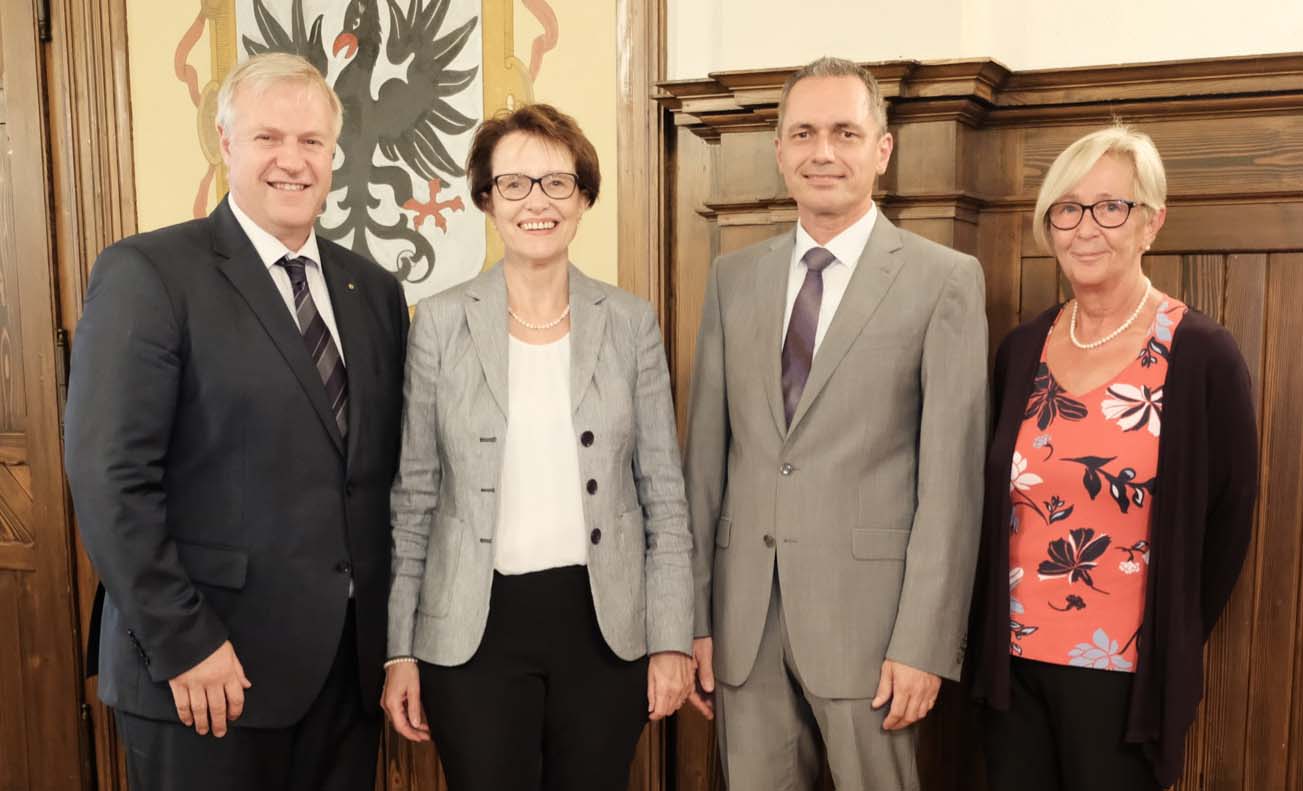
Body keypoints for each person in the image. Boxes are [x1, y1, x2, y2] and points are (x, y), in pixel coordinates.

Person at [63, 53, 409, 791]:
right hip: (207, 675)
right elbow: (109, 478)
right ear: (225, 143)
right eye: (267, 138)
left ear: (334, 152)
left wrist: (394, 644)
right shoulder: (149, 273)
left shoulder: (373, 290)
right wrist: (184, 642)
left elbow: (380, 478)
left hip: (346, 678)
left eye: (311, 141)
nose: (293, 160)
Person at [683, 56, 988, 791]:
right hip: (743, 623)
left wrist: (924, 641)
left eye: (845, 133)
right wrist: (693, 618)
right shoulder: (731, 278)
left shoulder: (943, 280)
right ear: (779, 150)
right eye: (804, 133)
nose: (822, 151)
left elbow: (951, 486)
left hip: (873, 631)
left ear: (882, 150)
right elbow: (705, 467)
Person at [381, 103, 694, 791]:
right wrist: (399, 650)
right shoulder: (438, 323)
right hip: (471, 632)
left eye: (557, 183)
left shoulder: (631, 322)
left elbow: (664, 496)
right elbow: (414, 496)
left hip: (605, 627)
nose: (537, 202)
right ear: (486, 199)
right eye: (514, 184)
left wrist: (672, 637)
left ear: (583, 197)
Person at [969, 125, 1258, 791]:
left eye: (1110, 206)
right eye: (1067, 208)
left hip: (1127, 679)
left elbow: (1229, 521)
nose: (1086, 228)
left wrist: (1171, 634)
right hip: (1011, 670)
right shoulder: (1022, 349)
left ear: (1151, 221)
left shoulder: (1200, 354)